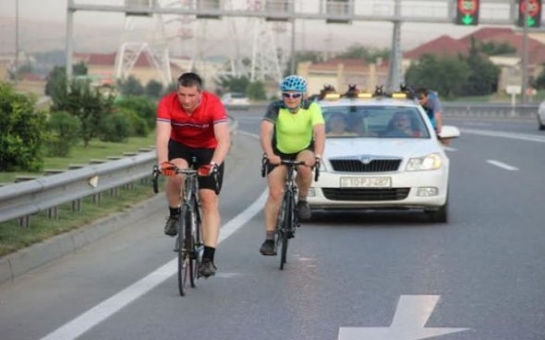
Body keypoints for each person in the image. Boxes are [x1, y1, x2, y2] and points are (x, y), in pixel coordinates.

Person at [156, 72, 231, 278]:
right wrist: (163, 162)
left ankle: (208, 257)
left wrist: (214, 164)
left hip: (208, 149)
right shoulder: (167, 103)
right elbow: (163, 137)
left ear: (200, 94)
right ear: (176, 92)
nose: (186, 100)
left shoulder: (213, 104)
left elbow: (224, 140)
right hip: (180, 147)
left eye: (191, 96)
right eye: (182, 95)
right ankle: (174, 214)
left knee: (208, 200)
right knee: (176, 173)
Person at [259, 75, 326, 256]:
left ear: (303, 95)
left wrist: (317, 156)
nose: (290, 99)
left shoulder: (312, 107)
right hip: (279, 151)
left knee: (305, 166)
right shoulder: (276, 107)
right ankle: (270, 238)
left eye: (295, 95)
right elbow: (265, 132)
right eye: (287, 95)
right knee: (275, 193)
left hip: (303, 148)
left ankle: (302, 201)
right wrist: (270, 154)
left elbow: (319, 132)